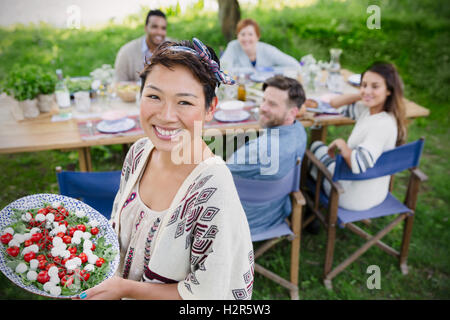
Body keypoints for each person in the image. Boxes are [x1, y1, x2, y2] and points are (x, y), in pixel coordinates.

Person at [79, 39, 254, 300]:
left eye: (184, 102)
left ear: (210, 108)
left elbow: (210, 293)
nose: (166, 115)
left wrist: (125, 289)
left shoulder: (212, 186)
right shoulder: (139, 152)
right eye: (153, 96)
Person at [309, 62, 407, 211]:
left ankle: (310, 206)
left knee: (314, 148)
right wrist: (363, 94)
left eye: (375, 86)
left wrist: (341, 143)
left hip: (351, 196)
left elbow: (357, 164)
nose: (367, 90)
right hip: (375, 192)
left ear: (389, 90)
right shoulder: (371, 111)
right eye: (364, 84)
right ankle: (313, 201)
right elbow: (335, 104)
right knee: (319, 150)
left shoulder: (382, 125)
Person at [226, 75, 307, 236]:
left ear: (292, 113)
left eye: (272, 104)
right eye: (264, 100)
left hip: (241, 221)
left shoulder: (257, 151)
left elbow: (219, 175)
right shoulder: (299, 132)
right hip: (277, 212)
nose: (262, 107)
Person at [220, 18, 301, 73]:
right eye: (242, 34)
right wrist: (253, 70)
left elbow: (295, 65)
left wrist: (271, 70)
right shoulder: (233, 46)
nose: (246, 38)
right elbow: (222, 69)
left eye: (250, 34)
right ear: (237, 36)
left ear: (257, 36)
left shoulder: (267, 50)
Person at [114, 9, 169, 82]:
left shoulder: (174, 50)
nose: (159, 32)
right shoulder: (126, 52)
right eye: (154, 27)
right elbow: (118, 83)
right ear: (146, 28)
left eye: (163, 28)